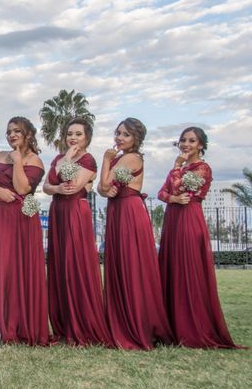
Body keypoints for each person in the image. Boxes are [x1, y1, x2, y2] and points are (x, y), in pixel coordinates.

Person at [158, 127, 238, 348]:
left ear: (201, 145)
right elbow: (162, 193)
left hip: (189, 220)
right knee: (172, 267)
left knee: (188, 268)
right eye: (183, 140)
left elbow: (180, 187)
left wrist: (176, 170)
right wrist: (173, 198)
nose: (186, 144)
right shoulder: (181, 168)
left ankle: (192, 327)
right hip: (172, 220)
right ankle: (171, 325)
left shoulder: (203, 168)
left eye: (192, 140)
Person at [97, 117, 173, 350]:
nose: (119, 137)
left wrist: (105, 160)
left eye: (126, 134)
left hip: (129, 212)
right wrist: (109, 169)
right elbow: (104, 190)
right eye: (118, 133)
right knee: (121, 264)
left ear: (136, 139)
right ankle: (122, 319)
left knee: (131, 264)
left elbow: (105, 185)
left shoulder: (131, 157)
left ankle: (137, 323)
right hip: (118, 211)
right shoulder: (122, 157)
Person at [0, 116, 48, 345]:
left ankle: (16, 322)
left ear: (28, 134)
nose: (11, 135)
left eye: (17, 131)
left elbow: (21, 187)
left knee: (14, 268)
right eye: (9, 132)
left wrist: (18, 160)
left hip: (19, 220)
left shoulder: (35, 161)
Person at [43, 118, 112, 346]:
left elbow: (75, 184)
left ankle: (83, 324)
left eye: (78, 134)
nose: (73, 138)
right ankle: (62, 325)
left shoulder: (88, 159)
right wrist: (57, 185)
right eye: (70, 134)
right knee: (60, 265)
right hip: (58, 212)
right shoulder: (58, 158)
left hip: (75, 212)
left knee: (76, 264)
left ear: (87, 138)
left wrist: (62, 175)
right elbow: (46, 186)